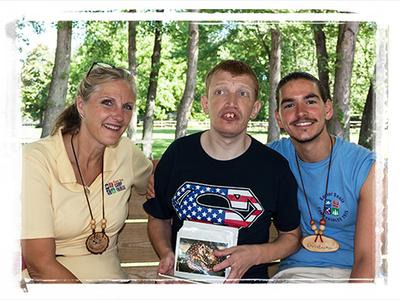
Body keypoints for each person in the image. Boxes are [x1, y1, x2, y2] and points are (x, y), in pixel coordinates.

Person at [143, 60, 301, 283]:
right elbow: (159, 219)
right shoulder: (178, 155)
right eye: (220, 91)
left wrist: (255, 255)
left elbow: (291, 238)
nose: (231, 102)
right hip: (185, 282)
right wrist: (166, 253)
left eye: (243, 94)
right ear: (205, 104)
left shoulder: (273, 167)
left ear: (255, 108)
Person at [21, 62, 153, 283]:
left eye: (127, 107)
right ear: (81, 106)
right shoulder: (36, 158)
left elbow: (157, 177)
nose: (119, 116)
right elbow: (39, 264)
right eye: (107, 103)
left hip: (114, 281)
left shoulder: (125, 152)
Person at [268, 71, 375, 283]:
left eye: (310, 101)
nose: (301, 113)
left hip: (349, 274)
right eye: (289, 105)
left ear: (327, 109)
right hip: (292, 275)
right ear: (279, 118)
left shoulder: (365, 166)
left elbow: (367, 259)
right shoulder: (271, 159)